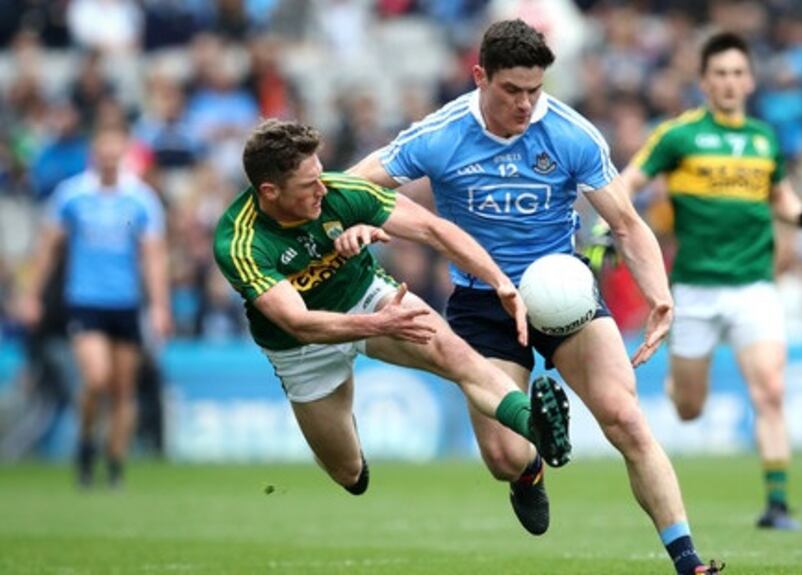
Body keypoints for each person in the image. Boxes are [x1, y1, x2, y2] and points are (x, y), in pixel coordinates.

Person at [349, 19, 722, 575]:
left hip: (564, 294)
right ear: (480, 76)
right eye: (511, 91)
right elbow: (354, 183)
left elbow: (625, 222)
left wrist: (658, 294)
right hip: (482, 304)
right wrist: (353, 222)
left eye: (535, 90)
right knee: (503, 458)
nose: (525, 104)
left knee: (626, 418)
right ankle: (530, 473)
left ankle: (687, 560)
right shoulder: (440, 133)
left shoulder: (571, 133)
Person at [211, 119, 571, 505]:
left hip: (367, 295)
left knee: (457, 355)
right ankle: (341, 432)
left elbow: (432, 229)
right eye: (308, 185)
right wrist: (377, 325)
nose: (322, 188)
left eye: (320, 174)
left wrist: (499, 280)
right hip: (302, 347)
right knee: (348, 474)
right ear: (270, 191)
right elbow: (299, 323)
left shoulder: (339, 191)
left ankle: (533, 429)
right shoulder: (240, 242)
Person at [615, 31, 802, 531]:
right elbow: (629, 181)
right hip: (695, 288)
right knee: (689, 408)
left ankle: (777, 506)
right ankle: (679, 382)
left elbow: (781, 198)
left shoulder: (763, 139)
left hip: (754, 285)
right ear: (704, 82)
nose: (730, 82)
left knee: (771, 391)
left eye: (738, 73)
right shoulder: (679, 136)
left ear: (750, 80)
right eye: (720, 74)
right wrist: (610, 223)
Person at [22, 124, 172, 487]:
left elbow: (153, 256)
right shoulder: (72, 195)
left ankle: (114, 464)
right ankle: (86, 443)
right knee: (96, 378)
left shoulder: (140, 198)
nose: (108, 158)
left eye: (114, 151)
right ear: (94, 154)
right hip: (85, 300)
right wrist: (31, 295)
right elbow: (48, 249)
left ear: (122, 154)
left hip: (126, 303)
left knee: (123, 389)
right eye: (102, 151)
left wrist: (160, 305)